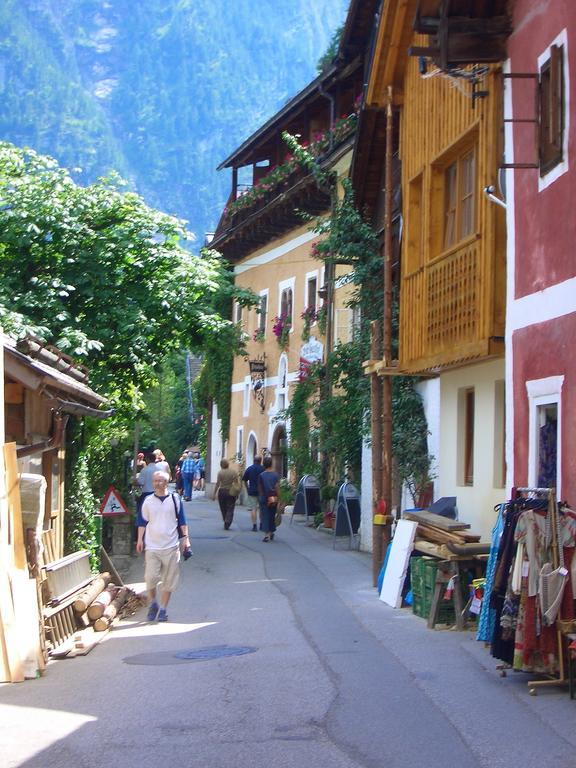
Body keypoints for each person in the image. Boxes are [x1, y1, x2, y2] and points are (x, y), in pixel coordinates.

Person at [136, 470, 190, 622]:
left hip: (171, 546)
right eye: (155, 481)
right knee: (150, 577)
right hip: (152, 546)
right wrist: (140, 539)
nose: (157, 483)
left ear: (167, 482)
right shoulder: (147, 501)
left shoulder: (175, 499)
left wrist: (186, 540)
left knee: (169, 580)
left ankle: (163, 609)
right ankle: (153, 602)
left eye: (160, 480)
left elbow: (182, 522)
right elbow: (142, 521)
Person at [212, 458, 240, 530]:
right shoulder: (233, 472)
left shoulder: (220, 472)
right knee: (230, 507)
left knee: (223, 507)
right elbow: (236, 482)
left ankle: (225, 519)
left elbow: (218, 484)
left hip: (222, 491)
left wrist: (214, 493)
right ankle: (228, 521)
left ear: (221, 465)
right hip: (231, 491)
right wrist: (237, 493)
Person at [258, 455, 280, 542]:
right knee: (272, 514)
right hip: (273, 497)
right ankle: (271, 531)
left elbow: (259, 487)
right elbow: (277, 487)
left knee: (265, 515)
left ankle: (266, 534)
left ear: (264, 464)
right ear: (271, 464)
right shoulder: (275, 475)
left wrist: (261, 496)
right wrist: (279, 497)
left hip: (264, 497)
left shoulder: (261, 475)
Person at [242, 455, 264, 532]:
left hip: (252, 491)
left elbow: (244, 480)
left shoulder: (249, 469)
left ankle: (254, 525)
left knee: (253, 509)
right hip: (262, 492)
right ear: (261, 461)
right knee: (261, 508)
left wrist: (247, 488)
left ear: (254, 460)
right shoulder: (263, 469)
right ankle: (261, 524)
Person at [135, 452, 158, 519]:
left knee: (141, 511)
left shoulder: (145, 470)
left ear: (148, 460)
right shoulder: (159, 469)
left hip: (146, 494)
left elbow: (141, 482)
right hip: (157, 493)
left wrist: (135, 482)